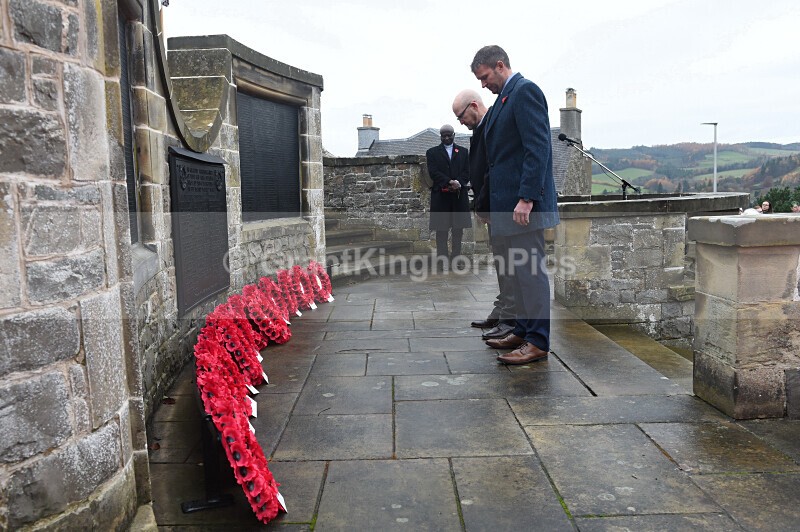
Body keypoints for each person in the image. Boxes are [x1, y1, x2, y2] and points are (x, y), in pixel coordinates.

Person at [471, 45, 559, 365]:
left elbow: (538, 148)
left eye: (484, 77)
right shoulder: (502, 101)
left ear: (499, 65)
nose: (483, 85)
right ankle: (522, 330)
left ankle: (537, 341)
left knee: (531, 273)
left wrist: (527, 198)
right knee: (516, 272)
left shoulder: (525, 92)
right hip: (505, 209)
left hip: (523, 208)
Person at [453, 89, 515, 340]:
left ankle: (510, 319)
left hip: (499, 207)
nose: (460, 122)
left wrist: (485, 205)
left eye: (461, 115)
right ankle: (502, 311)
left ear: (474, 105)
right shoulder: (479, 130)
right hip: (490, 207)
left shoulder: (492, 126)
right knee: (502, 263)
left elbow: (493, 169)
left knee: (509, 265)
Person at [426, 124, 471, 270]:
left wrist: (458, 182)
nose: (446, 138)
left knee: (458, 230)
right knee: (441, 230)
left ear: (454, 135)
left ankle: (456, 259)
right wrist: (448, 182)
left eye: (449, 135)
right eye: (443, 135)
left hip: (458, 196)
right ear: (440, 136)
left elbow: (467, 171)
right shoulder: (432, 152)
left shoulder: (464, 152)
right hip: (441, 196)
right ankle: (442, 260)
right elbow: (433, 172)